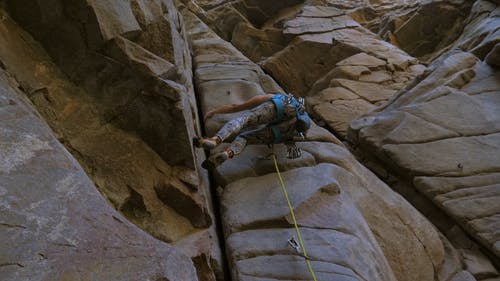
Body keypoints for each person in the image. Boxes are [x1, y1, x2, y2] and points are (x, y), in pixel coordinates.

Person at [193, 92, 311, 169]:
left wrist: (215, 111)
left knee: (243, 120)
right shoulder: (300, 124)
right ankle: (227, 153)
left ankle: (215, 140)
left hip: (277, 107)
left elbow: (235, 107)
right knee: (245, 138)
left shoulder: (275, 97)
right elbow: (290, 140)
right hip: (282, 134)